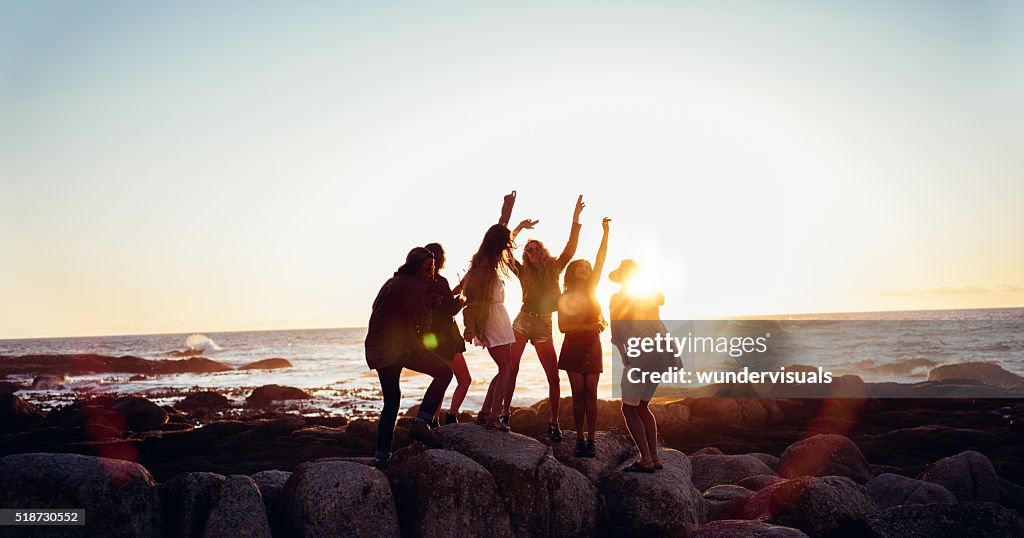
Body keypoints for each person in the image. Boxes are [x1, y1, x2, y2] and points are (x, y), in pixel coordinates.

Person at [497, 195, 585, 441]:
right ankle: (504, 414)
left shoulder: (555, 267)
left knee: (553, 376)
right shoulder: (522, 271)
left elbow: (571, 246)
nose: (531, 251)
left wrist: (576, 218)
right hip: (523, 321)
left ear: (542, 252)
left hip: (544, 324)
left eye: (535, 248)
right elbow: (504, 248)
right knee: (511, 368)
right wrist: (517, 229)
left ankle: (554, 421)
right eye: (528, 249)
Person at [364, 247, 454, 468]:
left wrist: (425, 300)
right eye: (427, 268)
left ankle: (382, 456)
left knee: (392, 400)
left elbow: (382, 308)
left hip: (378, 347)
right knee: (444, 372)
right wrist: (429, 306)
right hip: (397, 347)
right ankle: (422, 422)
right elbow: (423, 322)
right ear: (416, 266)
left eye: (432, 268)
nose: (431, 273)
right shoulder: (411, 284)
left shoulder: (393, 282)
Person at [609, 259, 678, 472]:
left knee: (629, 409)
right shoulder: (651, 295)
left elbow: (616, 333)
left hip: (640, 353)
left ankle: (646, 460)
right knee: (642, 407)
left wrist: (625, 356)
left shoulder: (618, 298)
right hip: (662, 353)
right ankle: (655, 458)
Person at [461, 191, 521, 432]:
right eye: (505, 242)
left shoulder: (486, 257)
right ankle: (494, 417)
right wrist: (473, 326)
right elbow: (473, 297)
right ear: (498, 243)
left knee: (505, 367)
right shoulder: (486, 260)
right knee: (506, 367)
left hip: (497, 316)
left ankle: (486, 413)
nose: (509, 244)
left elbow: (501, 228)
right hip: (492, 317)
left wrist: (508, 207)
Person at [558, 217, 610, 457]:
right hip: (573, 346)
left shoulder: (591, 290)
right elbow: (563, 327)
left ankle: (592, 439)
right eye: (581, 268)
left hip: (592, 346)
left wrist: (605, 233)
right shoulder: (565, 297)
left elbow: (600, 260)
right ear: (573, 272)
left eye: (587, 269)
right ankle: (579, 438)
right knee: (578, 392)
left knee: (592, 392)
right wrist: (589, 326)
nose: (586, 270)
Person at [422, 242, 472, 426]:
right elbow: (450, 309)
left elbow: (442, 303)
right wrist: (464, 299)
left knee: (441, 379)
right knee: (464, 379)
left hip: (432, 339)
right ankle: (451, 415)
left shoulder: (422, 284)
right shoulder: (439, 281)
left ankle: (433, 420)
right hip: (446, 338)